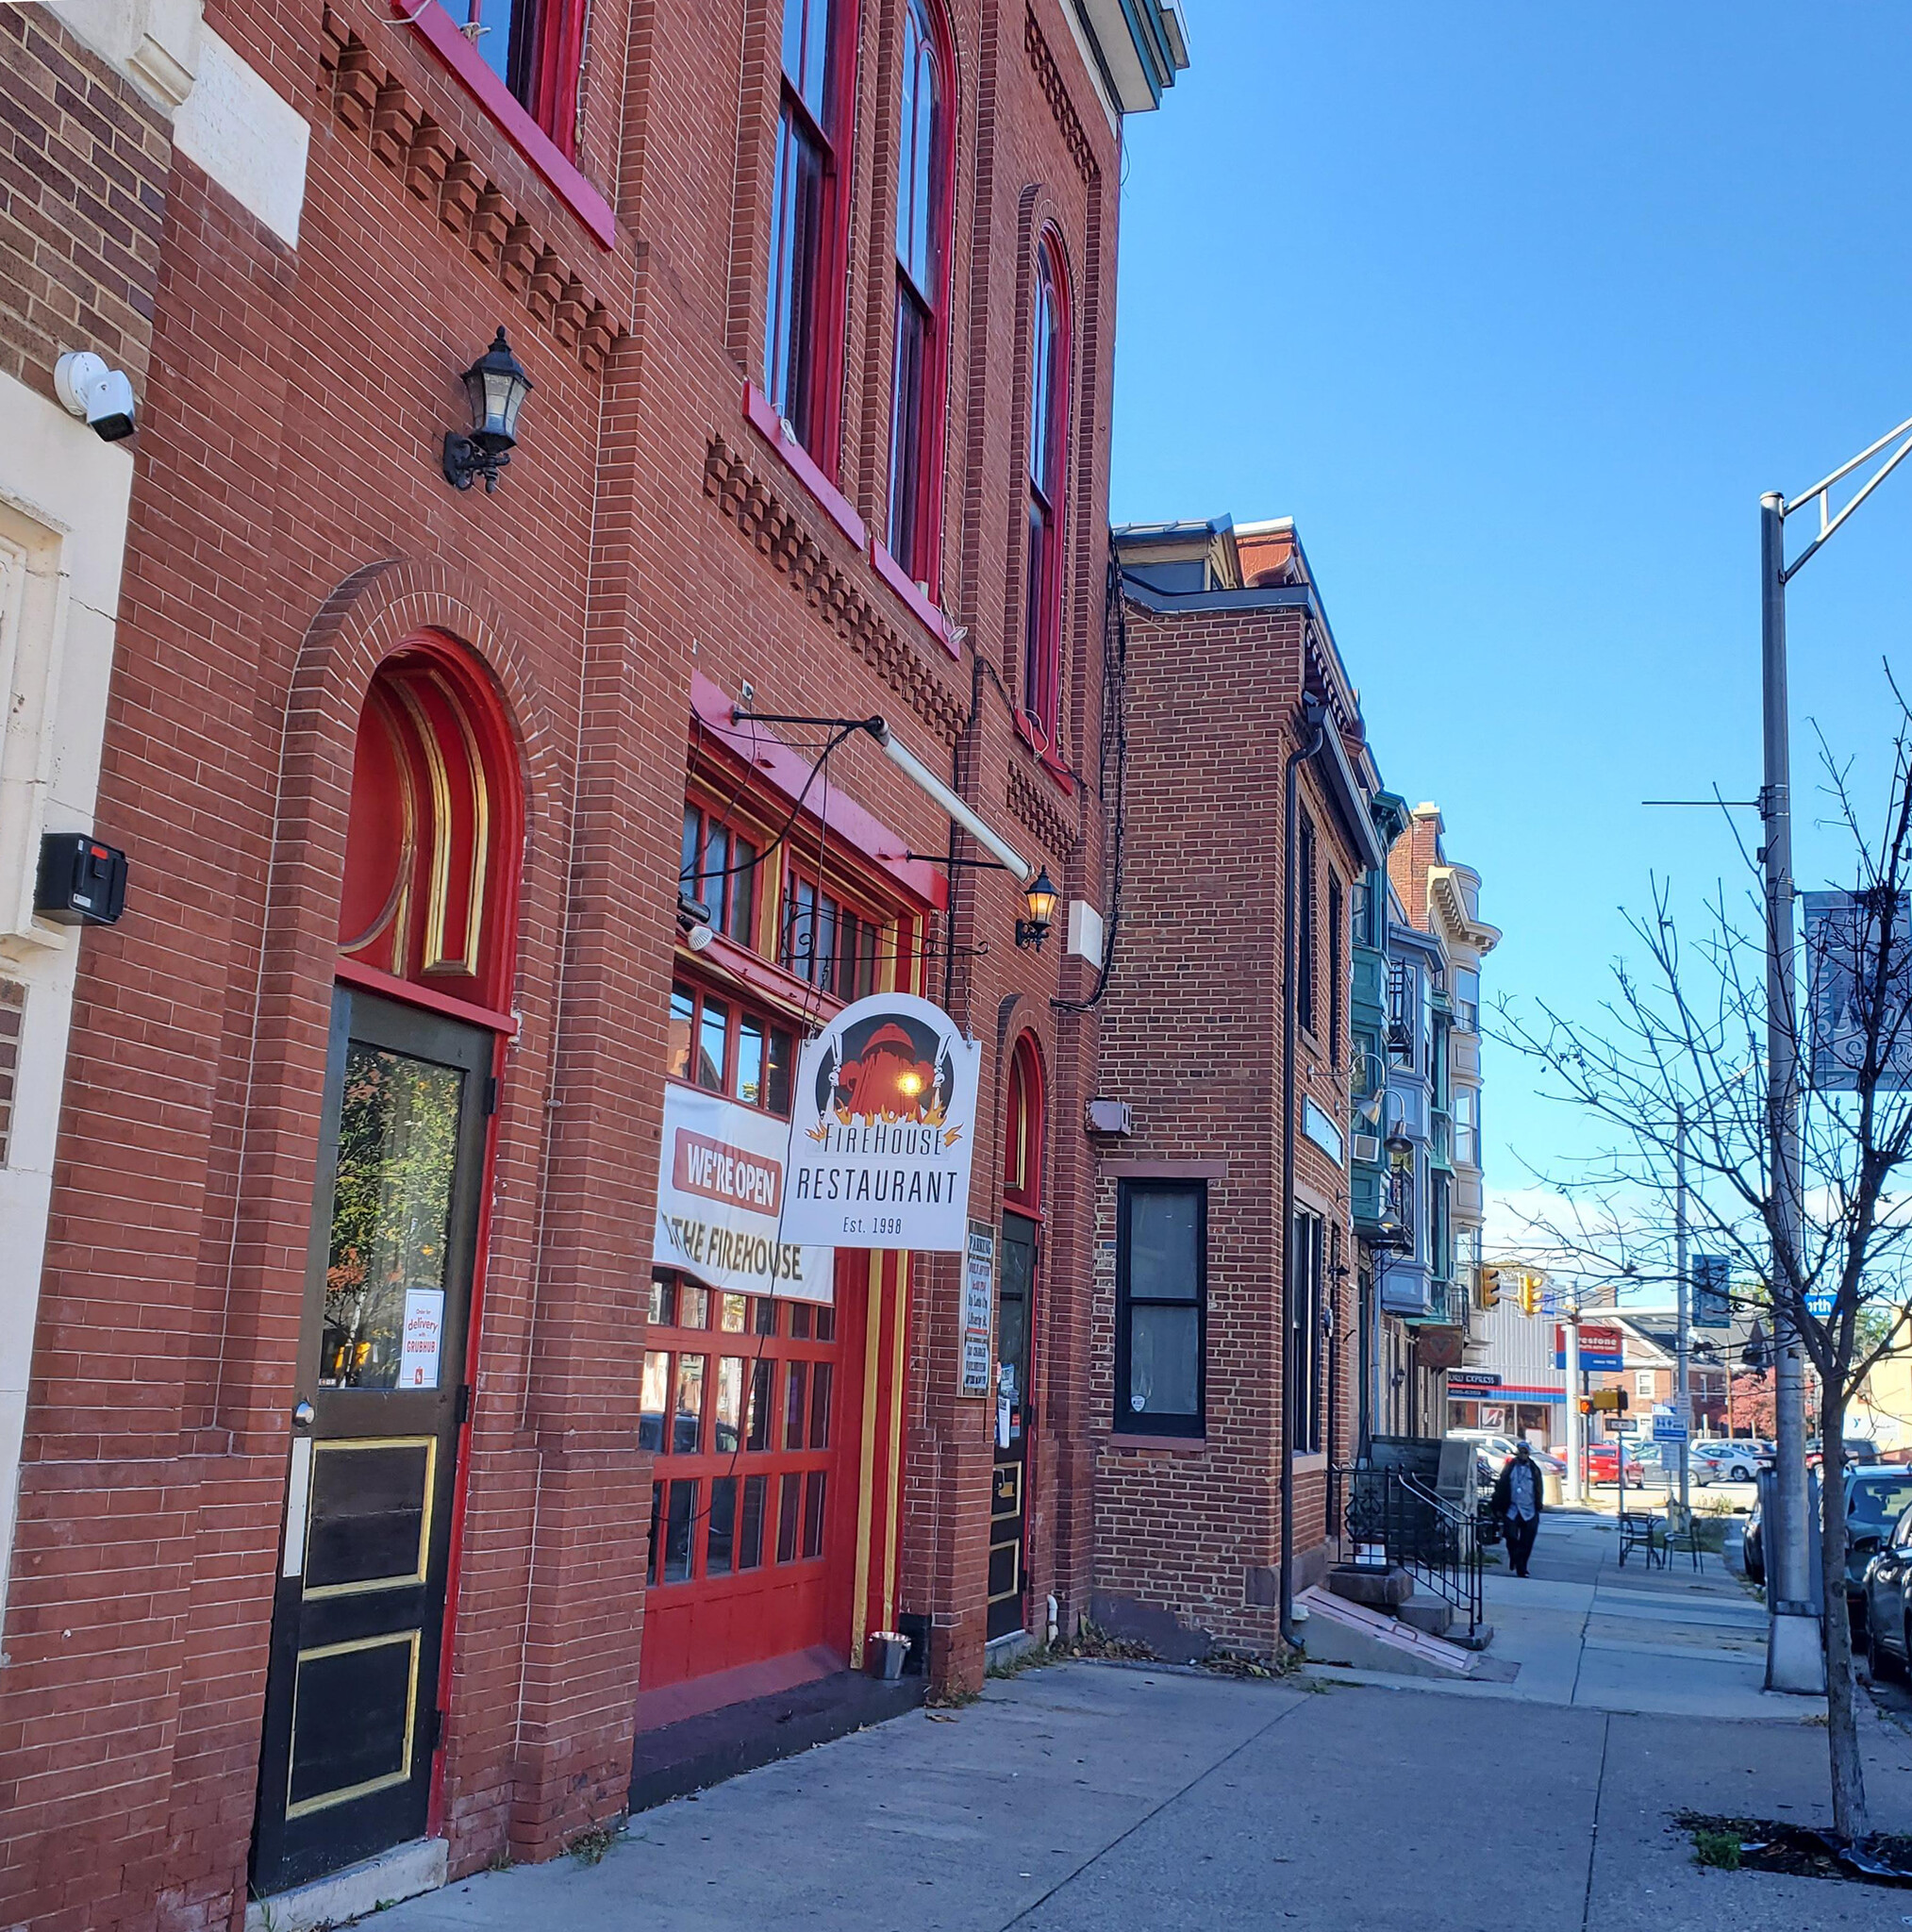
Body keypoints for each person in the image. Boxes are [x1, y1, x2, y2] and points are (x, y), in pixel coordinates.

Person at [1492, 1441, 1544, 1577]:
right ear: (1517, 1452)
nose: (1523, 1454)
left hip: (1530, 1510)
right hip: (1512, 1509)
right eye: (1521, 1451)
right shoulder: (1510, 1467)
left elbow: (1539, 1488)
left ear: (1529, 1453)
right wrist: (1498, 1506)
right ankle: (1514, 1558)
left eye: (1525, 1451)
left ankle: (1522, 1568)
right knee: (1511, 1537)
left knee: (1527, 1542)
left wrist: (1539, 1504)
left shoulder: (1534, 1469)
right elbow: (1501, 1486)